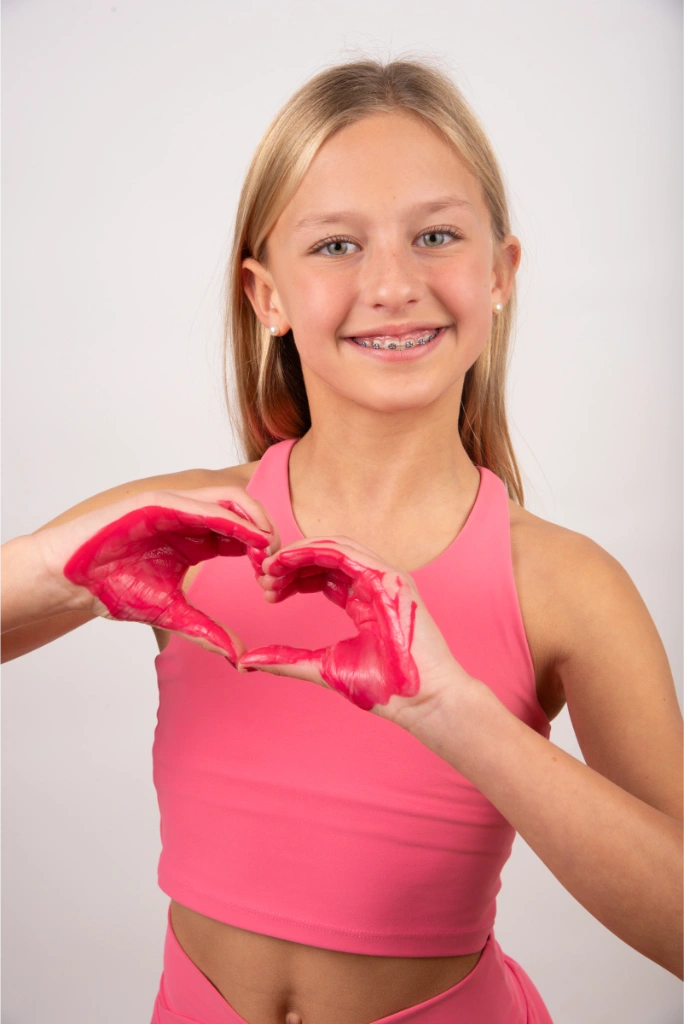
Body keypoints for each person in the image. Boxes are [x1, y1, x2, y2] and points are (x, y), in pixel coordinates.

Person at [3, 56, 684, 1024]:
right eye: (335, 245)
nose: (394, 283)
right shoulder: (181, 531)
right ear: (266, 296)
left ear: (499, 273)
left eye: (436, 236)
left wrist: (458, 715)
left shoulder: (564, 583)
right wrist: (50, 567)